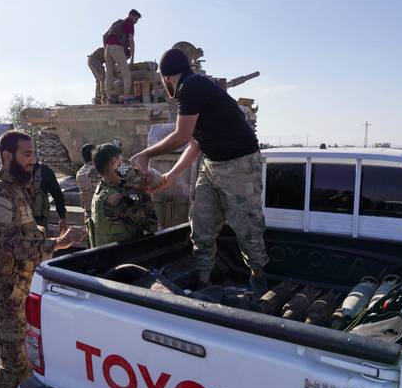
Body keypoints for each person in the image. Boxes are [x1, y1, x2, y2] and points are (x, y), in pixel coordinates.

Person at [131, 48, 270, 297]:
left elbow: (182, 136)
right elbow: (195, 143)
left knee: (247, 230)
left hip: (239, 166)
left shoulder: (192, 86)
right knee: (202, 226)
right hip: (212, 163)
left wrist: (145, 154)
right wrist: (170, 175)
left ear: (165, 77)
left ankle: (259, 282)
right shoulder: (195, 89)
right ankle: (204, 283)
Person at [0, 130, 85, 388]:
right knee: (16, 362)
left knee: (22, 357)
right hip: (7, 289)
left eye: (34, 154)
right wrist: (58, 244)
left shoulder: (17, 189)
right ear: (6, 155)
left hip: (25, 281)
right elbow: (10, 244)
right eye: (27, 154)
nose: (33, 161)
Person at [90, 143, 157, 247]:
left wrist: (132, 178)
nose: (125, 164)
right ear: (114, 161)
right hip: (121, 258)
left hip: (106, 254)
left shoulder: (101, 189)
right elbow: (151, 225)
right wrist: (143, 193)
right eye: (122, 160)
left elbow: (122, 184)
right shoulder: (114, 199)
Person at [103, 9, 141, 104]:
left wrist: (107, 49)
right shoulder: (129, 24)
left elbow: (104, 36)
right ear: (131, 16)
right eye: (136, 19)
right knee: (127, 73)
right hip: (116, 47)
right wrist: (132, 58)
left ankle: (110, 99)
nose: (136, 21)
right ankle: (126, 98)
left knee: (109, 73)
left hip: (107, 48)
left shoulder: (118, 22)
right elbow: (131, 41)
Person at [75, 144, 102, 247]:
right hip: (101, 211)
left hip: (88, 211)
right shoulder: (96, 170)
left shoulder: (80, 172)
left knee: (91, 241)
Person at [30, 162, 67, 235]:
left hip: (39, 221)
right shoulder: (13, 171)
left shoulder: (45, 171)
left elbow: (57, 195)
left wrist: (62, 218)